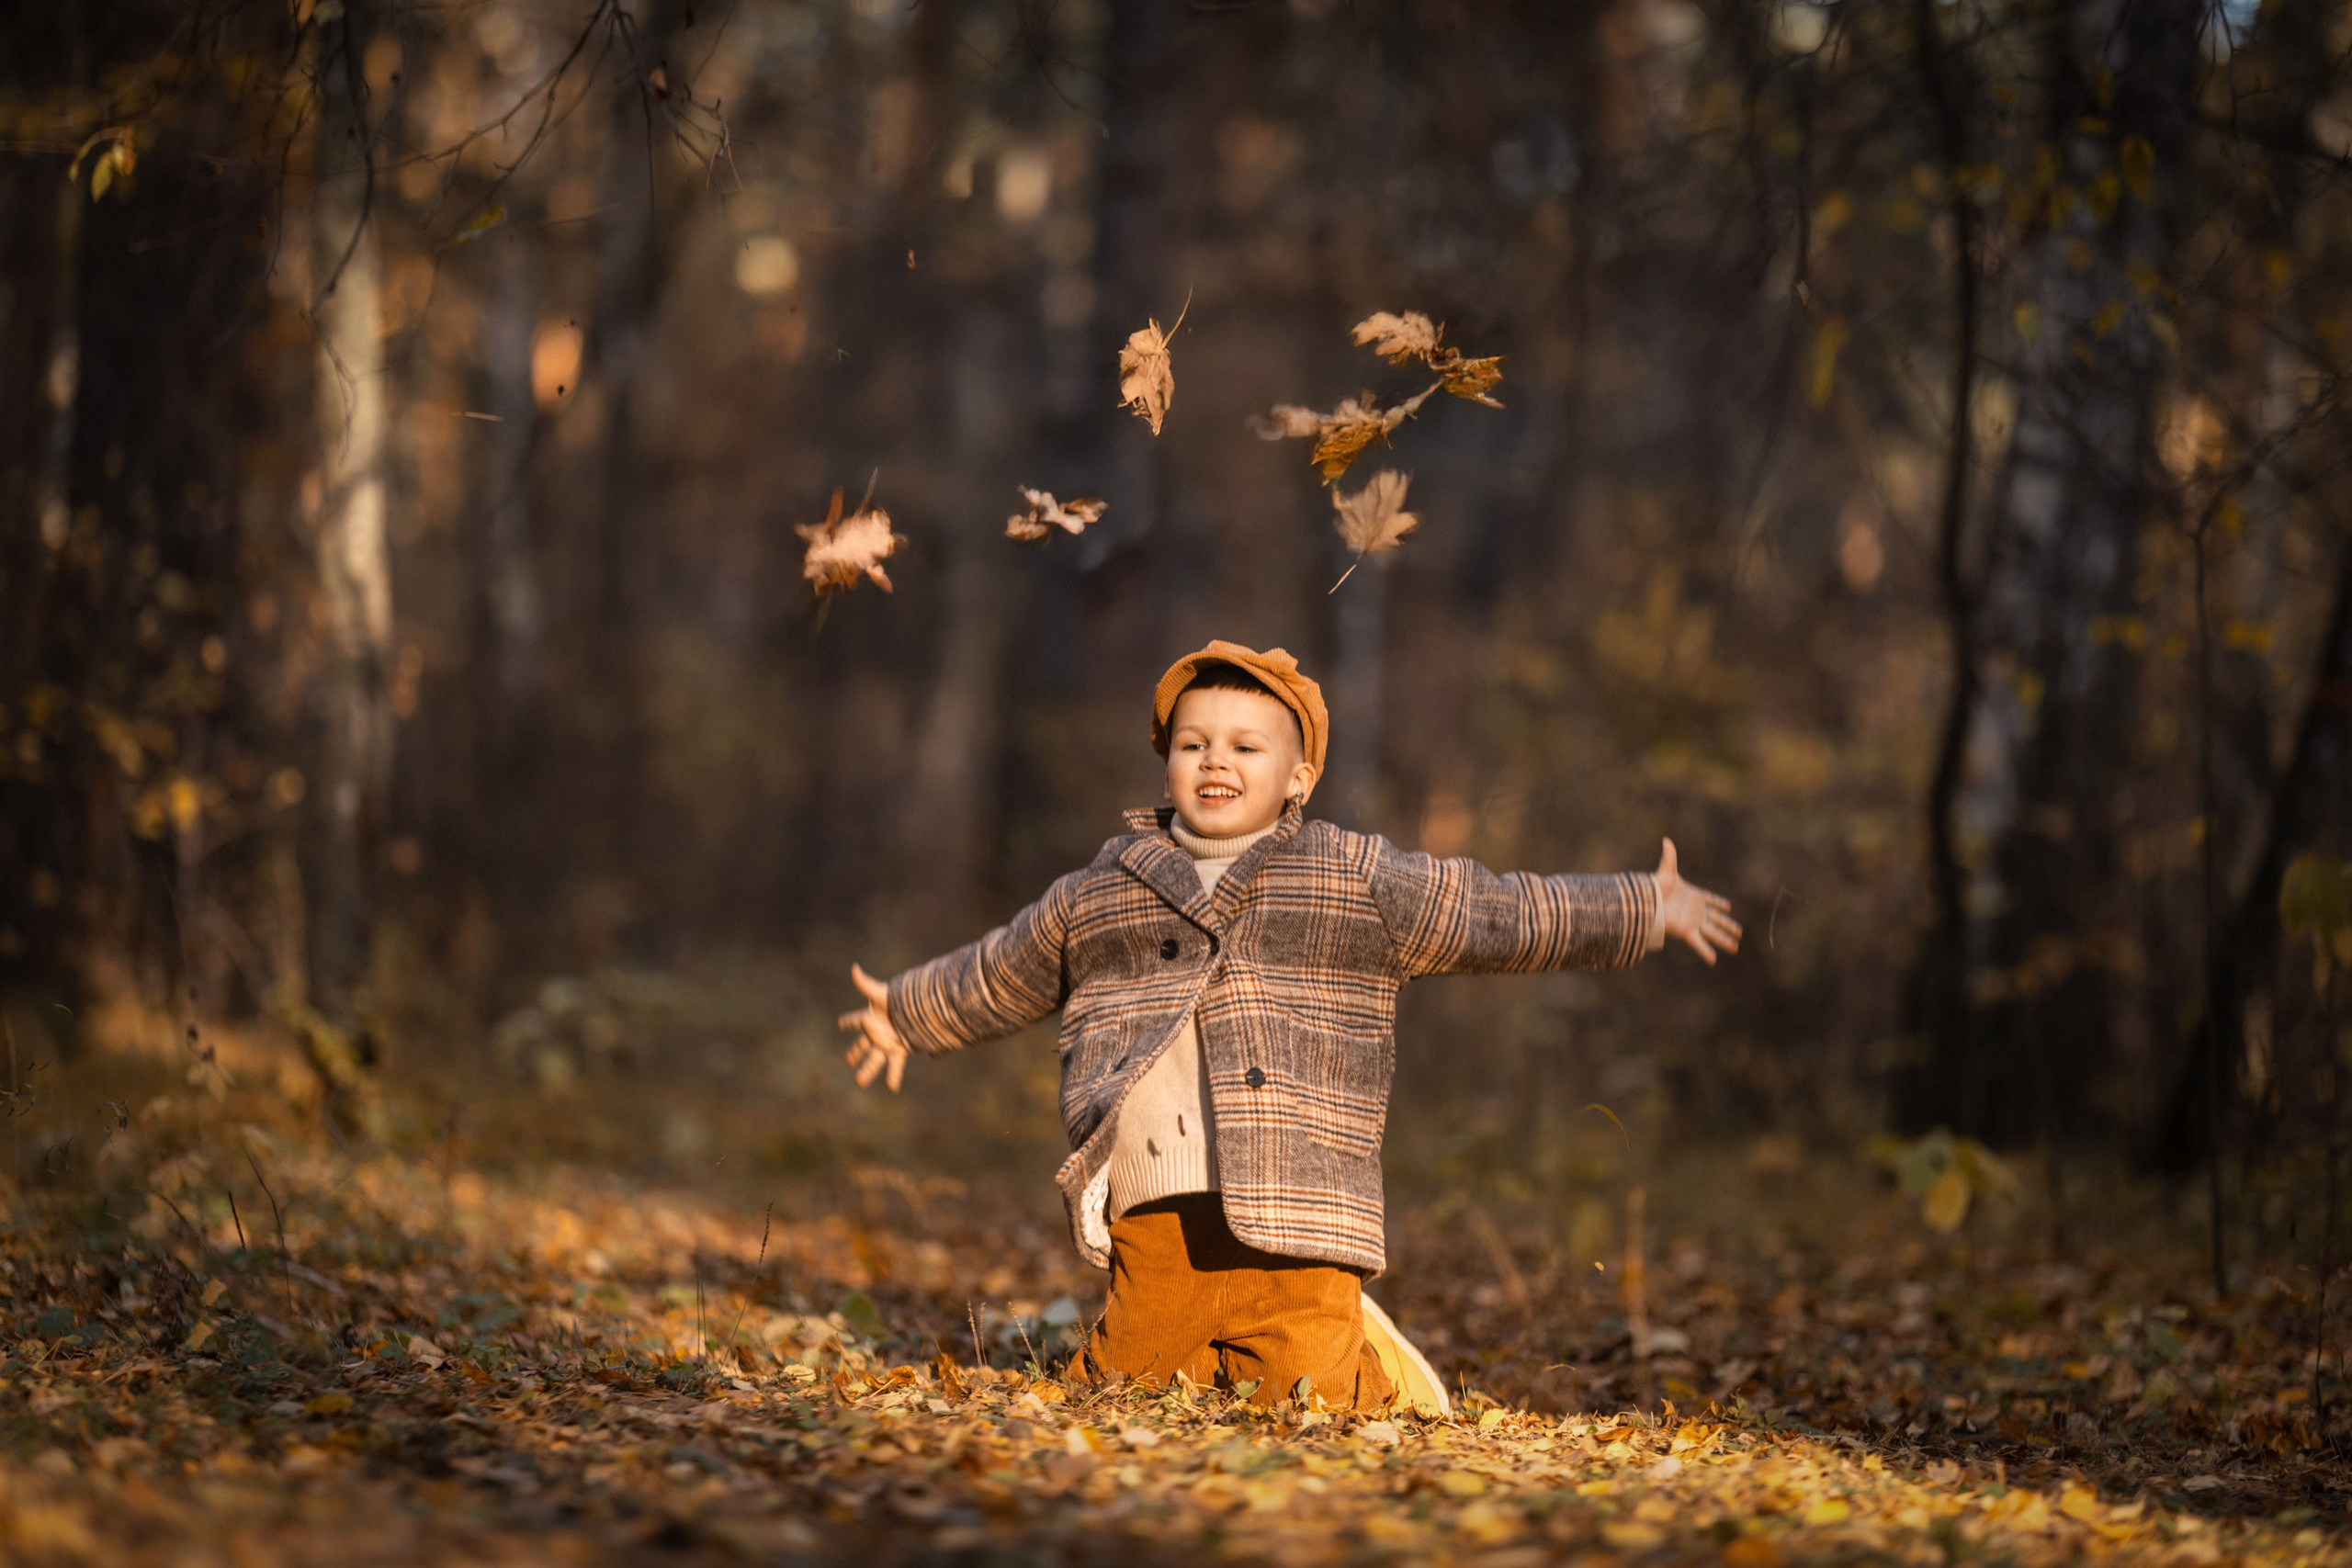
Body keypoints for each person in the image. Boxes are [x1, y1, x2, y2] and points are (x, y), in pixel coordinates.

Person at [838, 640, 1741, 1413]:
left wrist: (1637, 907)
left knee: (1305, 1381)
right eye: (1192, 743)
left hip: (1303, 1199)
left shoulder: (1350, 876)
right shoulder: (1103, 889)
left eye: (1244, 746)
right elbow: (1006, 966)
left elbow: (1492, 911)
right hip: (1158, 1206)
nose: (1215, 762)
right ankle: (1192, 1347)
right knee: (1122, 1381)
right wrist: (908, 1012)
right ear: (1165, 764)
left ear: (1298, 776)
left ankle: (1360, 1360)